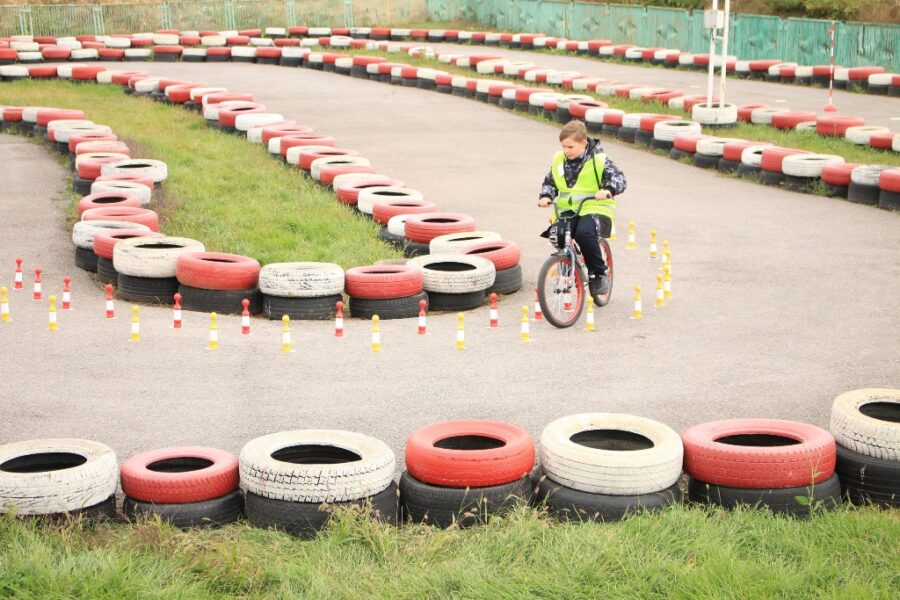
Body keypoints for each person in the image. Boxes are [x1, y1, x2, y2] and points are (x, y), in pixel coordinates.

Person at [538, 120, 627, 300]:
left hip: (594, 207)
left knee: (584, 233)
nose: (566, 151)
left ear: (584, 143)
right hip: (568, 210)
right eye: (563, 146)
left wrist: (608, 190)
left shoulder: (599, 160)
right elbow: (550, 181)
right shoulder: (559, 159)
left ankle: (599, 273)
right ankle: (567, 266)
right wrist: (546, 195)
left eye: (570, 147)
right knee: (557, 235)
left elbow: (619, 179)